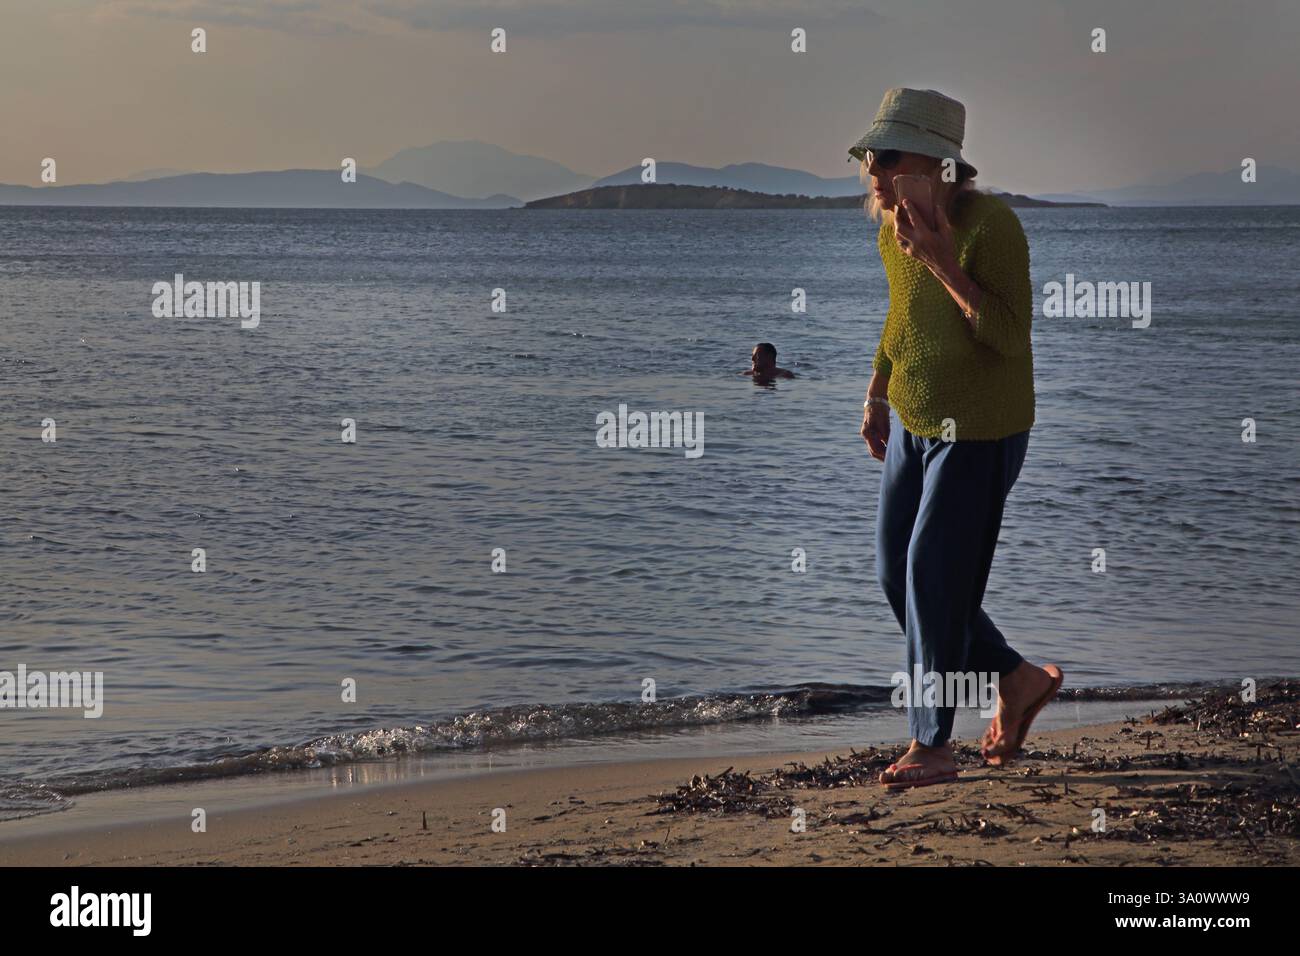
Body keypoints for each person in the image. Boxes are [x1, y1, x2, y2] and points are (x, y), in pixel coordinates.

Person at [848, 87, 1063, 789]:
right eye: (868, 157)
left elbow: (1007, 337)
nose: (873, 170)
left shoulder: (990, 226)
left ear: (939, 163)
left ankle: (932, 743)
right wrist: (878, 393)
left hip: (980, 428)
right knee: (898, 576)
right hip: (914, 421)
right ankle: (1016, 676)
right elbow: (901, 318)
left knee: (931, 576)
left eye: (888, 156)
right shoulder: (892, 228)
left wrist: (942, 259)